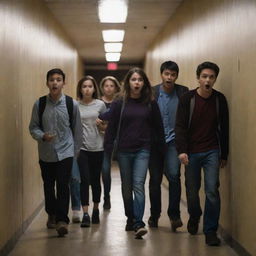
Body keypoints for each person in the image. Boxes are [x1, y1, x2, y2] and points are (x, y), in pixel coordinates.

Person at [103, 67, 165, 239]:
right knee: (126, 187)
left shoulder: (150, 103)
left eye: (140, 80)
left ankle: (139, 222)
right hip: (124, 150)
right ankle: (130, 217)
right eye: (133, 79)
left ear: (144, 83)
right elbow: (112, 127)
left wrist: (162, 150)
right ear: (128, 83)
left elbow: (158, 127)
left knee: (138, 184)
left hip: (143, 150)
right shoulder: (119, 103)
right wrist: (108, 147)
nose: (137, 82)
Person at [175, 61, 229, 246]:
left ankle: (210, 230)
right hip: (191, 152)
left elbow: (224, 128)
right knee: (191, 190)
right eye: (204, 76)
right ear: (198, 78)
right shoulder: (186, 99)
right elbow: (180, 127)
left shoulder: (219, 99)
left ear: (215, 79)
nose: (207, 80)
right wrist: (181, 150)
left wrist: (224, 154)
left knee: (212, 190)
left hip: (211, 150)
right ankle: (195, 215)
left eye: (211, 77)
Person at [29, 68, 82, 237]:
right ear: (47, 83)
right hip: (46, 152)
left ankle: (61, 220)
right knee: (48, 186)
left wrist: (75, 153)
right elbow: (33, 127)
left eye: (59, 80)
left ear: (63, 83)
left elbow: (77, 130)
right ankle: (51, 213)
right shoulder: (40, 104)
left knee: (63, 185)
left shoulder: (71, 104)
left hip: (66, 152)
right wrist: (42, 136)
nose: (55, 83)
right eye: (52, 80)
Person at [148, 61, 188, 231]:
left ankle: (174, 216)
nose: (169, 77)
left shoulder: (183, 92)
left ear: (176, 76)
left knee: (173, 176)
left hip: (174, 142)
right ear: (161, 75)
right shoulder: (152, 92)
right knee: (155, 180)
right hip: (155, 143)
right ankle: (155, 215)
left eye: (173, 75)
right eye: (166, 74)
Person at [76, 76, 107, 228]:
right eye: (84, 86)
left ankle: (95, 209)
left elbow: (107, 126)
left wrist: (102, 126)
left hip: (98, 147)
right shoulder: (75, 105)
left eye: (90, 86)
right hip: (82, 149)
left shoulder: (100, 105)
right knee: (85, 180)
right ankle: (85, 214)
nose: (87, 89)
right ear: (80, 89)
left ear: (94, 88)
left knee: (95, 180)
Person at [99, 76, 121, 210]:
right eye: (106, 85)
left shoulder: (119, 102)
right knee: (103, 170)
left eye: (111, 86)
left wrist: (107, 126)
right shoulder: (97, 102)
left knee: (108, 170)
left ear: (116, 88)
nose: (109, 88)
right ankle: (103, 196)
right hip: (100, 140)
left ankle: (109, 196)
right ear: (102, 87)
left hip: (117, 139)